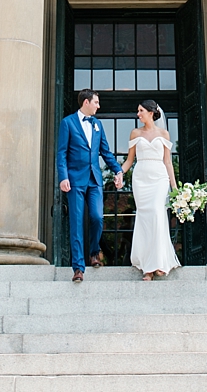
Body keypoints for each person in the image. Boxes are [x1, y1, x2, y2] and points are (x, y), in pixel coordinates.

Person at [57, 90, 124, 283]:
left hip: (94, 179)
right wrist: (63, 177)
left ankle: (94, 251)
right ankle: (78, 267)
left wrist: (118, 170)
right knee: (76, 223)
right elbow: (61, 153)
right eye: (96, 102)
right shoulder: (67, 123)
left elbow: (105, 152)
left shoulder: (98, 125)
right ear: (86, 102)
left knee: (97, 217)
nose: (98, 105)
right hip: (75, 180)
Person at [121, 99, 181, 280]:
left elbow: (168, 162)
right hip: (141, 178)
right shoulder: (135, 133)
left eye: (140, 111)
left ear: (151, 112)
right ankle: (148, 267)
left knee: (157, 213)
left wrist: (174, 187)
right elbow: (130, 160)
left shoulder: (164, 134)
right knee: (145, 217)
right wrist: (120, 173)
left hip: (159, 177)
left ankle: (159, 262)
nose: (138, 114)